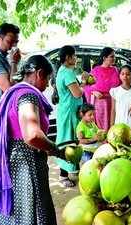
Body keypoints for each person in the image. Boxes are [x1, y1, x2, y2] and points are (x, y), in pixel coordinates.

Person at [0, 55, 58, 224]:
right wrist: (55, 149)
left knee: (13, 215)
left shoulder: (12, 93)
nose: (46, 85)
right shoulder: (27, 96)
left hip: (11, 164)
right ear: (39, 74)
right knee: (30, 212)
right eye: (46, 79)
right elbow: (32, 135)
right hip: (26, 165)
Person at [54, 45, 85, 187]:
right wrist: (84, 84)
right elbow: (77, 93)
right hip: (68, 113)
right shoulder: (67, 72)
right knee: (67, 142)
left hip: (68, 111)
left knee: (71, 140)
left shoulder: (64, 71)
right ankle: (63, 175)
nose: (76, 58)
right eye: (74, 56)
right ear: (68, 57)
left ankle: (70, 171)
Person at [84, 47, 121, 130]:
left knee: (113, 128)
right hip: (101, 104)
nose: (114, 59)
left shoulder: (115, 70)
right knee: (102, 129)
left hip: (114, 103)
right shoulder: (95, 71)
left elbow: (120, 85)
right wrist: (93, 92)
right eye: (112, 56)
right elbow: (86, 87)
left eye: (114, 57)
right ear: (104, 58)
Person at [110, 65, 131, 130]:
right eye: (122, 74)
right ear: (119, 76)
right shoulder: (115, 91)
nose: (125, 76)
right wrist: (111, 126)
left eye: (128, 74)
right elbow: (113, 110)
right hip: (119, 124)